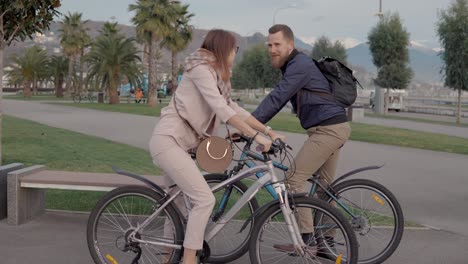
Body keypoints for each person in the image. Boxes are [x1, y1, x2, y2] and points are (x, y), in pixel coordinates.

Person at [149, 29, 283, 264]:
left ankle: (167, 259)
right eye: (235, 49)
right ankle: (189, 259)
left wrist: (267, 131)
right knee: (204, 200)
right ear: (224, 49)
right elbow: (221, 109)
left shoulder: (216, 76)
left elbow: (233, 108)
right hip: (169, 141)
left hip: (181, 146)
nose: (235, 54)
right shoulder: (200, 69)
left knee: (179, 208)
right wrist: (255, 137)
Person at [252, 24, 351, 253]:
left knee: (293, 180)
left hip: (327, 131)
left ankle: (305, 242)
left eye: (277, 44)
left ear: (290, 45)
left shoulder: (300, 65)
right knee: (323, 189)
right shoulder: (295, 66)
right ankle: (326, 245)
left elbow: (277, 98)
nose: (272, 49)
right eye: (269, 45)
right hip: (332, 127)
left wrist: (248, 124)